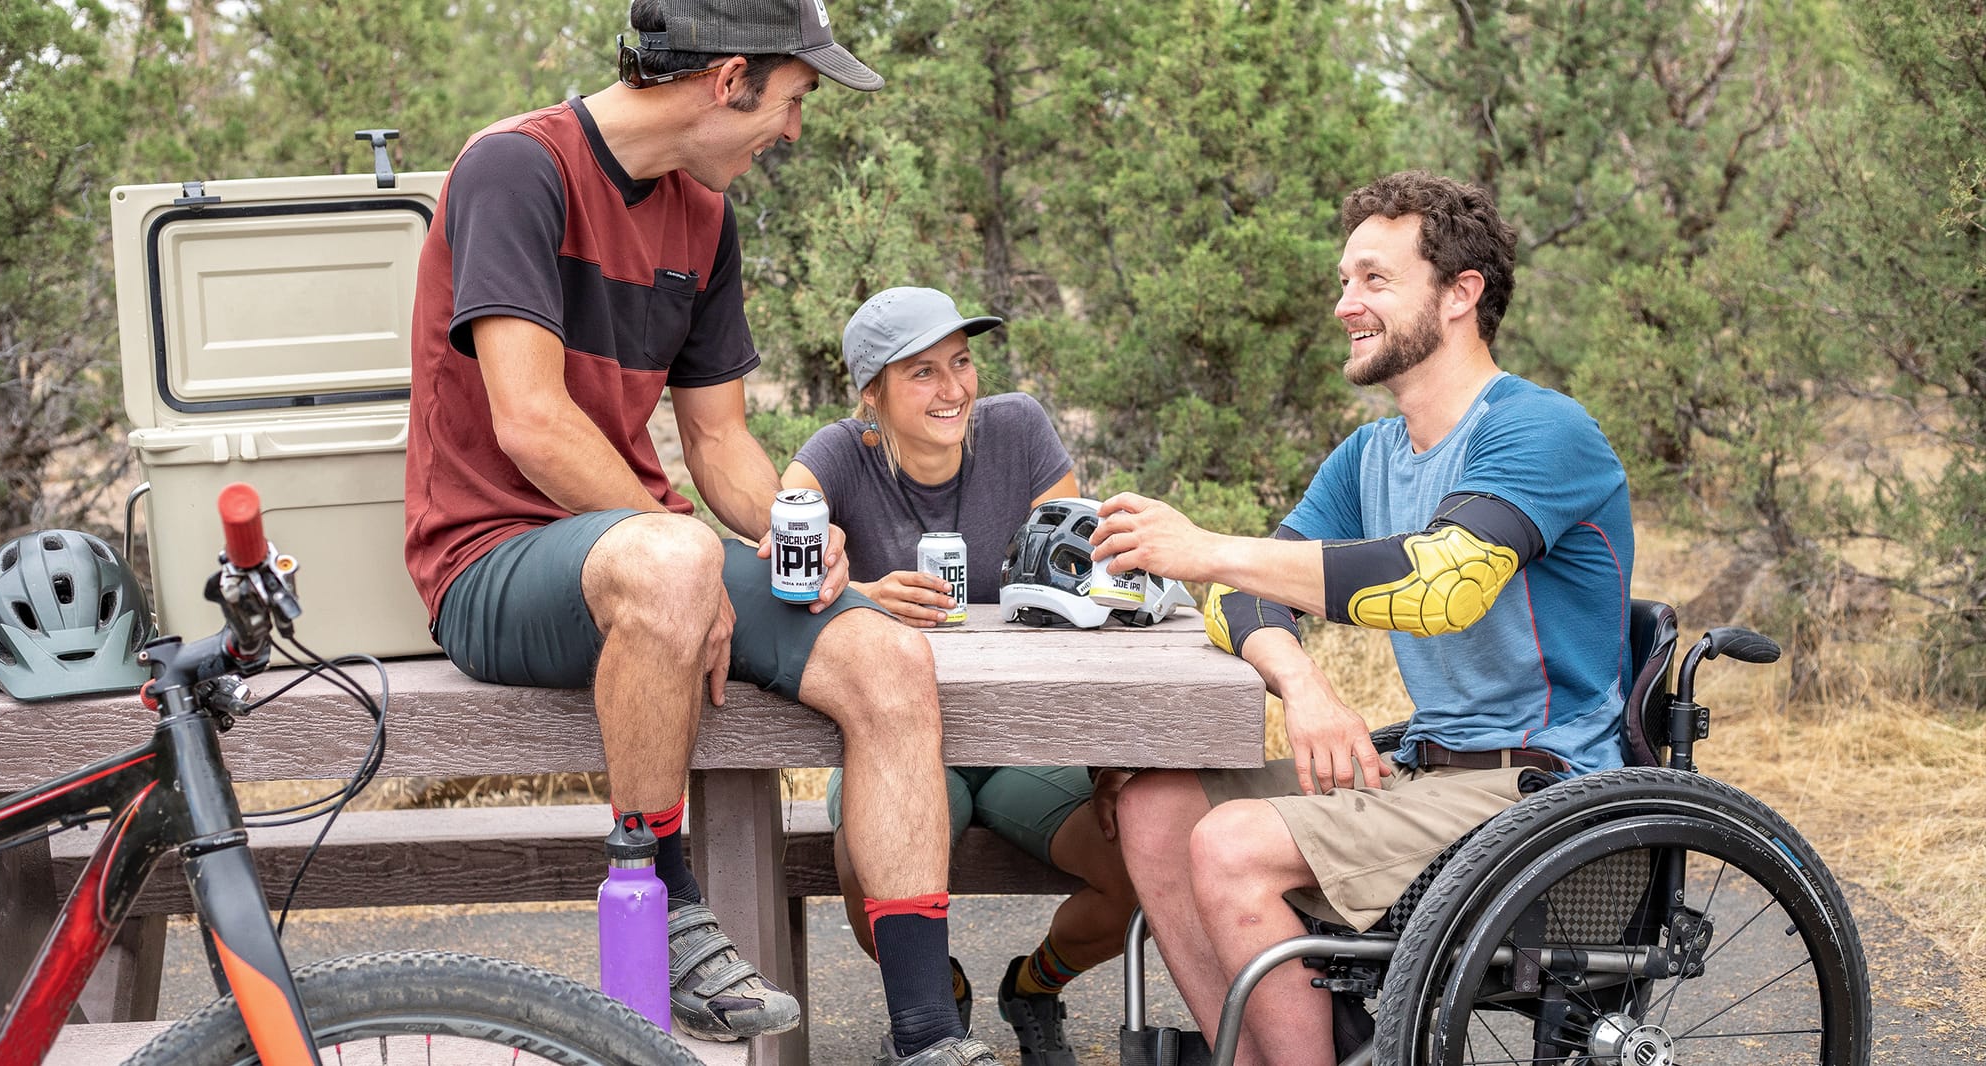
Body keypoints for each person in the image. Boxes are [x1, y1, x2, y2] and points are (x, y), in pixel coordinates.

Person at [402, 3, 999, 1063]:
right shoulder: (513, 169)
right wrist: (684, 552)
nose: (793, 130)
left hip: (641, 550)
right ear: (727, 80)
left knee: (887, 658)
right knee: (673, 560)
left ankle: (925, 1036)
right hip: (490, 559)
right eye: (793, 100)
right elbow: (531, 422)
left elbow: (717, 439)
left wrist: (793, 535)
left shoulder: (702, 218)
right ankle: (665, 892)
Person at [1090, 171, 1634, 1066]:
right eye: (1344, 280)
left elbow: (1440, 586)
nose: (1347, 303)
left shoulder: (1542, 432)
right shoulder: (1372, 452)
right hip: (1427, 767)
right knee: (1154, 803)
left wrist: (1207, 547)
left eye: (1375, 280)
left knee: (1231, 844)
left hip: (1538, 790)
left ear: (1462, 294)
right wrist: (1302, 685)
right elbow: (1239, 596)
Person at [782, 287, 1136, 1066]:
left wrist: (1111, 759)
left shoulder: (1019, 429)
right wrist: (858, 594)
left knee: (1135, 867)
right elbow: (785, 559)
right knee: (860, 868)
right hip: (894, 745)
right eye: (922, 373)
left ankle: (1033, 988)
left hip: (1025, 747)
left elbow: (1082, 595)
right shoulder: (837, 453)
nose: (954, 390)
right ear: (869, 393)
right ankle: (938, 998)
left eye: (962, 363)